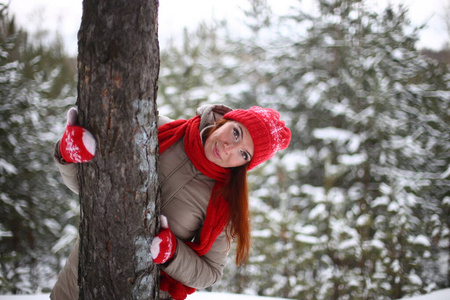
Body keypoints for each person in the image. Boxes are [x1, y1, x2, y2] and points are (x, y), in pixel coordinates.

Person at [50, 104, 291, 300]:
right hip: (81, 280)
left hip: (145, 292)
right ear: (225, 120)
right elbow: (96, 194)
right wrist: (69, 155)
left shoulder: (223, 205)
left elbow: (211, 272)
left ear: (244, 166)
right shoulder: (158, 128)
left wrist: (172, 254)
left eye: (243, 154)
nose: (229, 148)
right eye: (236, 132)